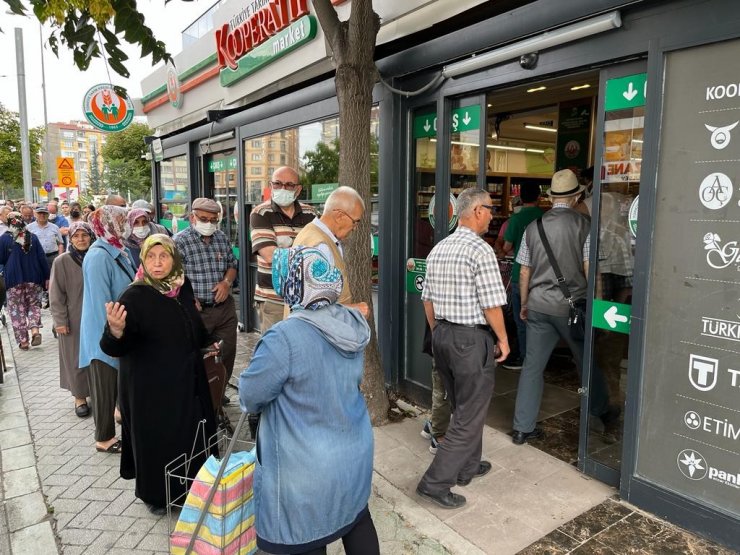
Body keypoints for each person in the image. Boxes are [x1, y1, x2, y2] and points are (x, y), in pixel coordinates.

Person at [240, 246, 378, 555]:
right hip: (353, 449)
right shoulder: (350, 322)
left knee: (305, 536)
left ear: (289, 283)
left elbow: (250, 396)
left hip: (305, 465)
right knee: (355, 517)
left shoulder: (284, 338)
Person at [101, 234, 218, 515]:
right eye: (151, 257)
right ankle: (157, 496)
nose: (157, 263)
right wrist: (115, 331)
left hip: (186, 380)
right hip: (150, 390)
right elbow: (113, 346)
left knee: (192, 433)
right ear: (142, 259)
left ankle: (196, 488)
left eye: (163, 256)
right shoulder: (135, 295)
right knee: (158, 440)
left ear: (174, 258)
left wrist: (205, 342)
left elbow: (191, 322)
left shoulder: (181, 286)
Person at [416, 187, 509, 510]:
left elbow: (426, 298)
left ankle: (468, 466)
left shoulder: (440, 248)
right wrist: (504, 339)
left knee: (463, 407)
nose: (493, 215)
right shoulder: (480, 250)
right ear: (477, 211)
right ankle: (434, 483)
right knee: (469, 415)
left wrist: (438, 331)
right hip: (470, 340)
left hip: (442, 335)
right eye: (491, 209)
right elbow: (493, 304)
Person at [511, 169, 619, 445]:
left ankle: (522, 428)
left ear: (551, 197)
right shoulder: (585, 225)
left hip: (537, 305)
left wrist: (524, 303)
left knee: (532, 367)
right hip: (573, 309)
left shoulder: (533, 226)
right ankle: (600, 410)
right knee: (586, 362)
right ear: (576, 196)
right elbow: (589, 269)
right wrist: (594, 305)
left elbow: (524, 270)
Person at [79, 206, 137, 454]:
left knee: (115, 382)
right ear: (108, 223)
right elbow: (101, 302)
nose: (126, 224)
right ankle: (104, 439)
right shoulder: (98, 256)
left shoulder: (118, 249)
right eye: (121, 220)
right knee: (103, 386)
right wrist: (111, 335)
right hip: (103, 335)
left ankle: (117, 416)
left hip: (119, 329)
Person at [174, 198, 238, 404]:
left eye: (213, 220)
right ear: (192, 217)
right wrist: (188, 299)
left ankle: (219, 390)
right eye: (204, 219)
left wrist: (227, 283)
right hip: (197, 311)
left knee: (226, 352)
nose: (209, 223)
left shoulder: (221, 238)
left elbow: (232, 264)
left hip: (224, 309)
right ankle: (198, 394)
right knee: (196, 355)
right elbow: (174, 277)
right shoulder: (179, 242)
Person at [250, 166, 317, 333]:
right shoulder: (260, 213)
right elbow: (270, 255)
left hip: (305, 298)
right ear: (271, 185)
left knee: (302, 349)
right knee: (276, 351)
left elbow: (321, 251)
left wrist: (287, 250)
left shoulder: (311, 214)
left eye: (289, 185)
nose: (282, 188)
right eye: (278, 184)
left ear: (298, 189)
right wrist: (307, 254)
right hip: (274, 299)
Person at [291, 186, 365, 307]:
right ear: (339, 216)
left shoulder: (311, 233)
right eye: (355, 221)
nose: (355, 228)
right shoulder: (321, 246)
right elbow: (313, 308)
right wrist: (354, 309)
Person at [49, 222, 95, 418]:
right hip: (73, 318)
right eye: (77, 236)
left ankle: (98, 391)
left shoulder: (97, 257)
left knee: (96, 356)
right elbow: (56, 294)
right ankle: (79, 397)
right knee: (74, 357)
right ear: (71, 239)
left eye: (85, 235)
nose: (81, 239)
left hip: (96, 316)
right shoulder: (62, 261)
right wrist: (60, 321)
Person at [502, 183, 545, 370]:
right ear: (539, 198)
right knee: (541, 321)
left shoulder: (516, 219)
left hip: (521, 273)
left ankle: (524, 357)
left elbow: (506, 247)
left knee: (521, 320)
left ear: (521, 198)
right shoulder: (545, 217)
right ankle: (540, 359)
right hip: (543, 274)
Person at [0, 213, 50, 349]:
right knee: (34, 305)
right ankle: (35, 330)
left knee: (16, 310)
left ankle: (24, 341)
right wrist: (47, 276)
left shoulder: (4, 239)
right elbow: (42, 259)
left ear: (9, 223)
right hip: (34, 278)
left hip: (13, 280)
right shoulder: (32, 237)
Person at [27, 205, 64, 269]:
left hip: (53, 257)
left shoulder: (55, 227)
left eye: (44, 213)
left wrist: (59, 257)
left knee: (53, 277)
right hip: (36, 258)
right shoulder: (29, 228)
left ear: (48, 214)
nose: (42, 215)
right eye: (40, 213)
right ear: (35, 214)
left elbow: (60, 243)